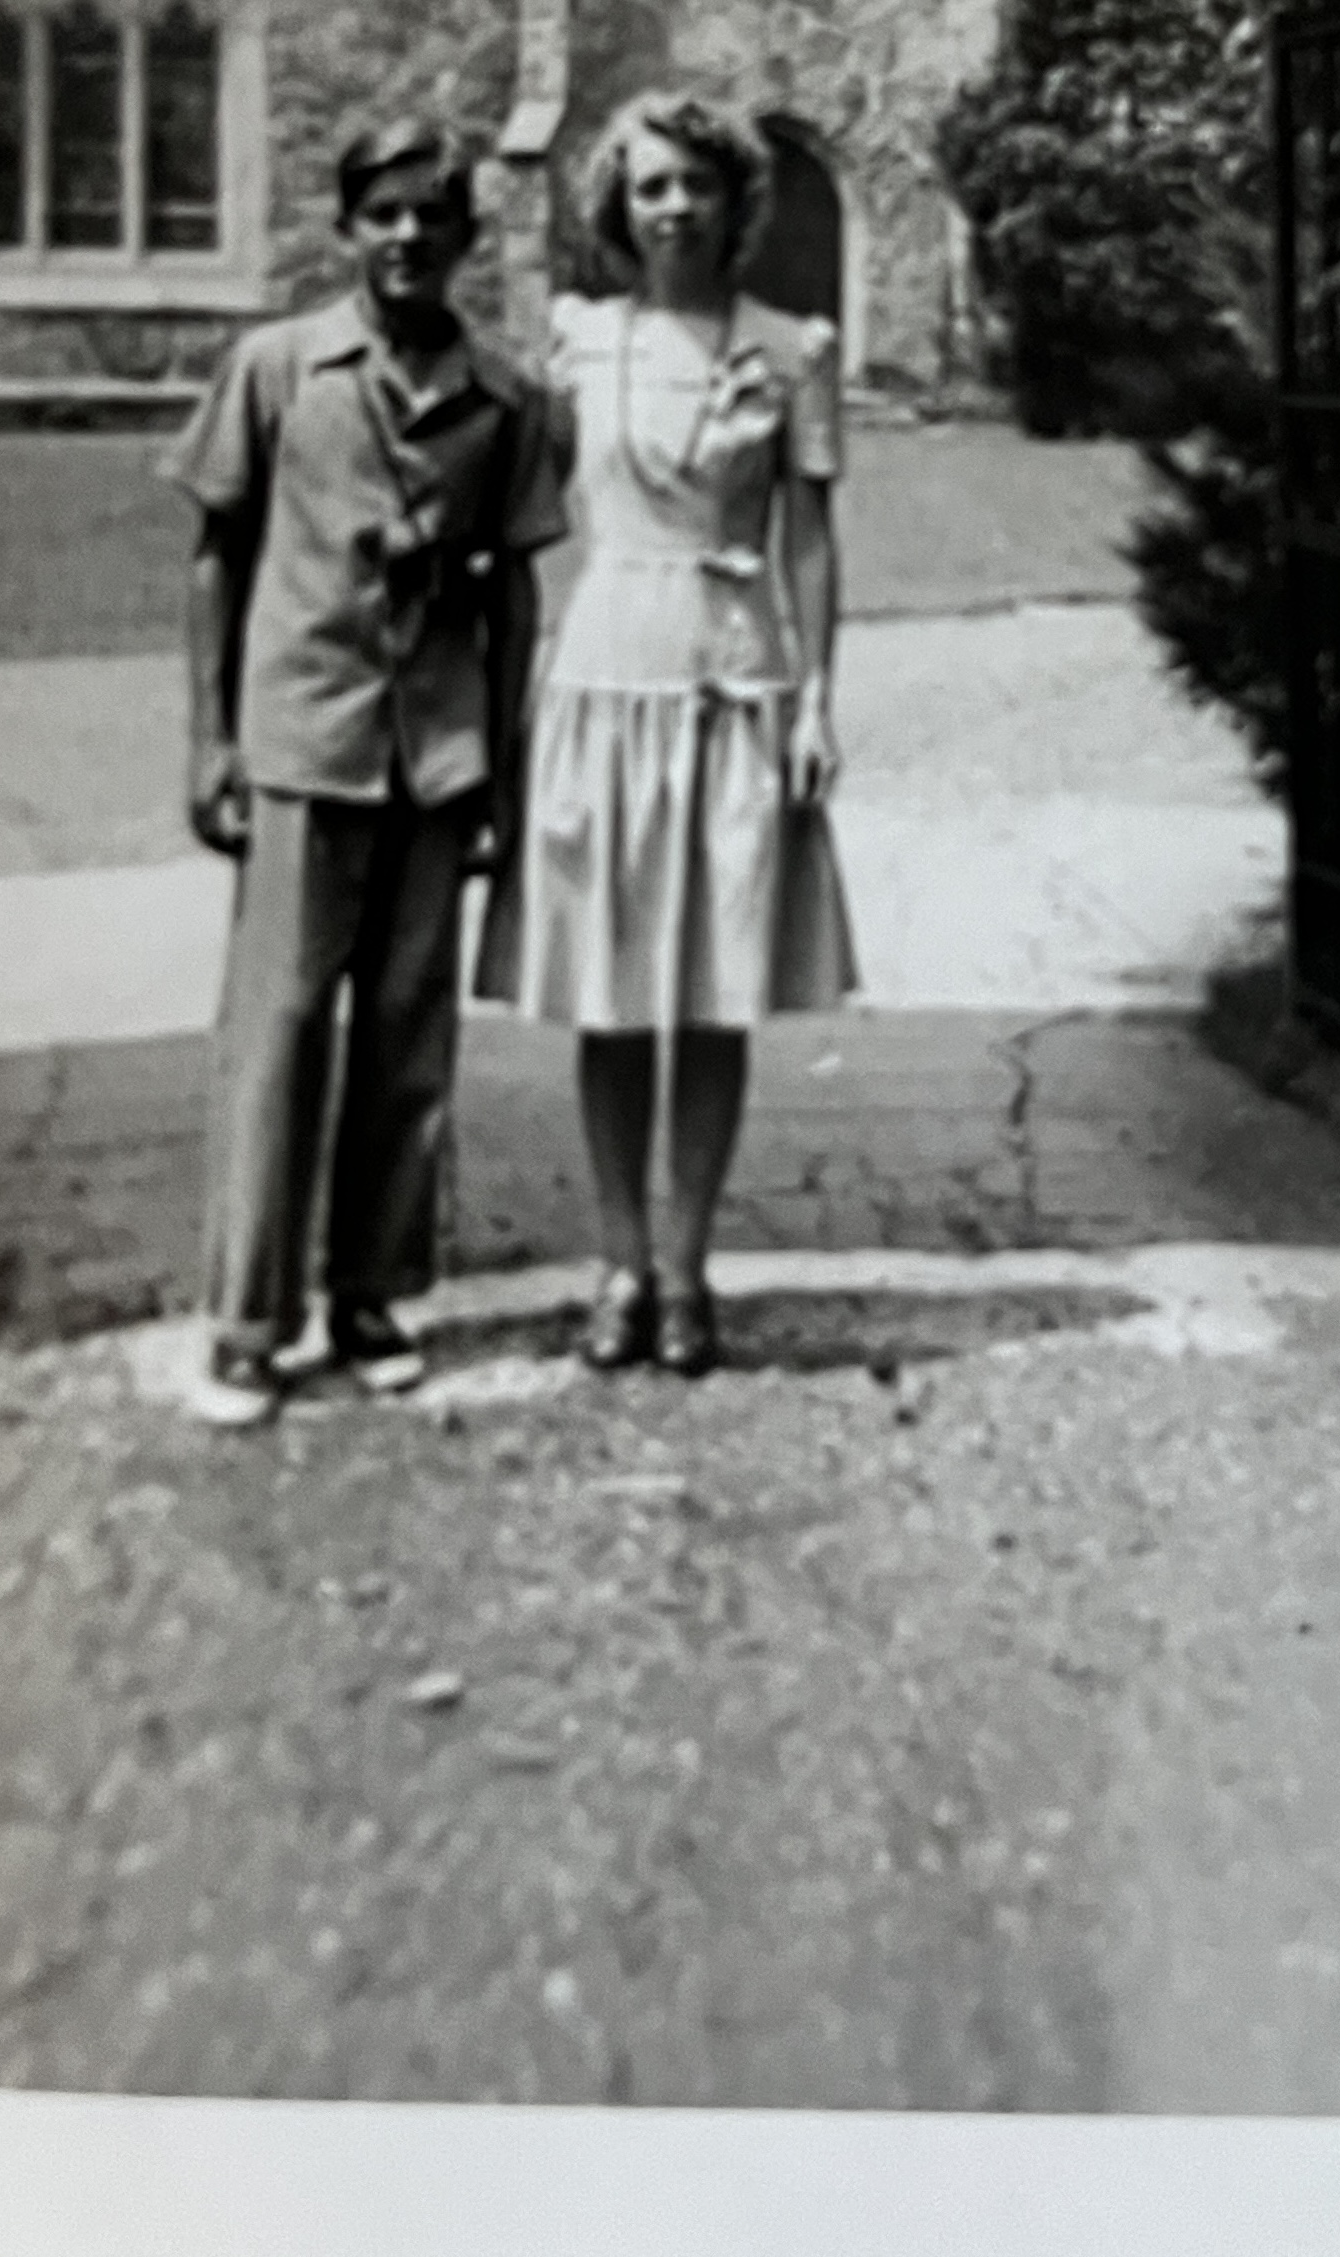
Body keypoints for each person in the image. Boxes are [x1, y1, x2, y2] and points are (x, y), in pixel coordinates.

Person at [162, 118, 567, 1429]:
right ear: (349, 226)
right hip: (303, 741)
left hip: (437, 760)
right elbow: (219, 554)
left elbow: (516, 600)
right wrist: (210, 736)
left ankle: (377, 1296)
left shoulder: (507, 402)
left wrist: (502, 772)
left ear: (466, 235)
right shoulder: (279, 368)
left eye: (432, 214)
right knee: (276, 1033)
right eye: (384, 211)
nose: (408, 235)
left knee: (407, 1040)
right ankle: (246, 1319)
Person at [484, 88, 855, 1378]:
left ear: (736, 199)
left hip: (732, 672)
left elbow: (807, 540)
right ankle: (617, 1263)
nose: (676, 207)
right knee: (611, 989)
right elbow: (516, 519)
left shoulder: (794, 348)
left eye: (697, 183)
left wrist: (814, 699)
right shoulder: (576, 344)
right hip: (604, 667)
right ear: (618, 208)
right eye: (651, 187)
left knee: (712, 991)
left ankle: (691, 1272)